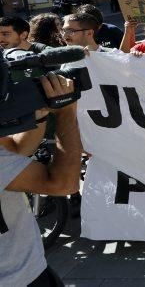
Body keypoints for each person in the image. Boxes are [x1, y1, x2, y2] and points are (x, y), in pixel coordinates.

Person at [0, 72, 82, 286]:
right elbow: (63, 184)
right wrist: (66, 112)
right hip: (16, 276)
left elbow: (16, 150)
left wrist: (40, 113)